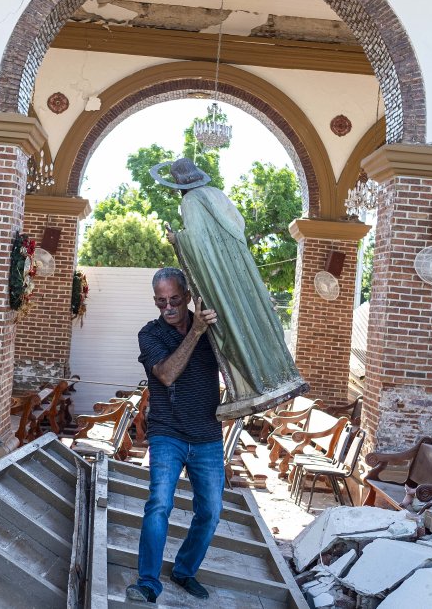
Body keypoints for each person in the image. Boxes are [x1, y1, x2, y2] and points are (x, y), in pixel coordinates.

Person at [149, 156, 308, 420]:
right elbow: (238, 226)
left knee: (230, 324)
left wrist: (177, 239)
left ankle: (256, 386)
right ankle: (277, 375)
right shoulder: (216, 194)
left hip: (217, 273)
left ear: (178, 185)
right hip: (238, 266)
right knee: (250, 314)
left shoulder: (190, 201)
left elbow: (198, 241)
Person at [126, 267, 222, 604]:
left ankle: (184, 570)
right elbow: (166, 375)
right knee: (159, 504)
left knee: (210, 511)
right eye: (161, 301)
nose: (168, 308)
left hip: (208, 434)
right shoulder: (150, 335)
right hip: (168, 433)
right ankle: (148, 583)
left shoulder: (211, 330)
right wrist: (194, 332)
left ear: (188, 297)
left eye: (175, 300)